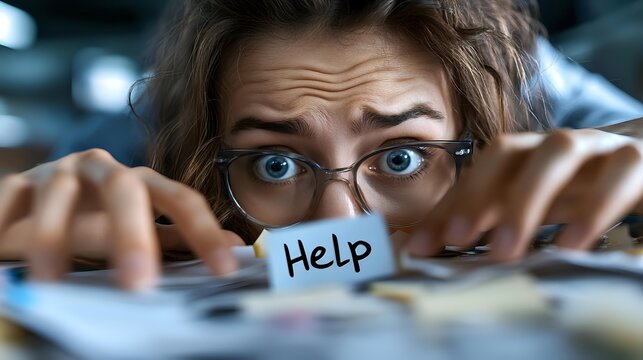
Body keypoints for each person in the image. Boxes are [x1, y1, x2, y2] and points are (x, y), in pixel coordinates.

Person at [0, 0, 642, 290]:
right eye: (275, 165)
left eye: (401, 157)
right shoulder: (151, 128)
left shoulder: (532, 86)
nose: (341, 227)